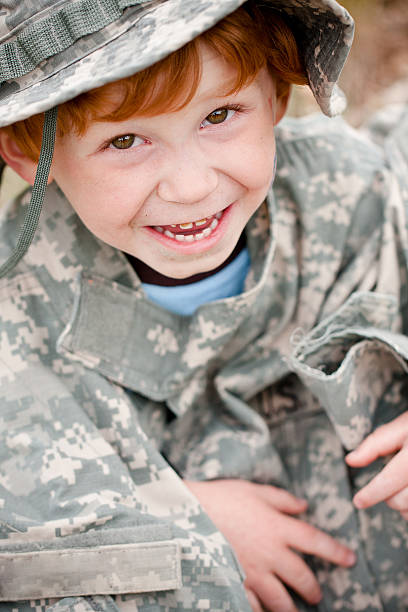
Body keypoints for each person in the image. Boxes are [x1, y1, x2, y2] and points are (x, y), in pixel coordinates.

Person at [0, 1, 407, 611]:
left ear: (276, 92)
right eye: (126, 140)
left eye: (220, 114)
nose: (190, 186)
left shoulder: (360, 195)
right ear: (30, 154)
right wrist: (180, 521)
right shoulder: (19, 311)